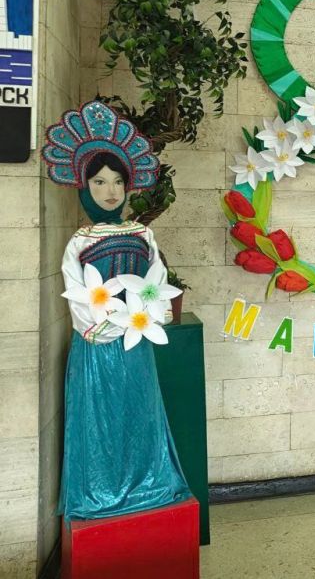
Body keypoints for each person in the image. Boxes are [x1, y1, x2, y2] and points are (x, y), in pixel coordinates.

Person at [43, 100, 190, 519]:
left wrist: (150, 313)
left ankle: (148, 480)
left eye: (118, 182)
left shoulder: (143, 234)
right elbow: (76, 292)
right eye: (99, 182)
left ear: (128, 186)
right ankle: (102, 490)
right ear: (83, 186)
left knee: (139, 411)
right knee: (101, 419)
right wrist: (103, 326)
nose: (110, 191)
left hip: (137, 339)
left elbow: (154, 280)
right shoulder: (80, 241)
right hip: (98, 344)